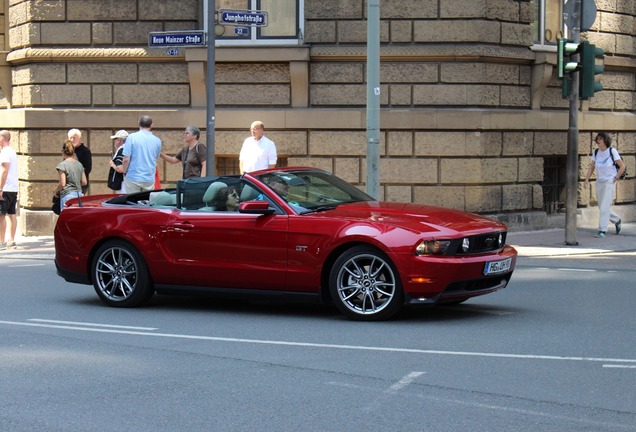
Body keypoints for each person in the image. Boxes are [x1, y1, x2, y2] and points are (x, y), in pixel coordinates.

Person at [584, 132, 626, 238]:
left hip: (609, 181)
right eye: (597, 139)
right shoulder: (597, 152)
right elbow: (592, 167)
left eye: (601, 139)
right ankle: (617, 219)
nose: (598, 141)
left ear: (605, 140)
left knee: (604, 207)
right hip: (600, 181)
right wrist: (586, 179)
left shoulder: (612, 151)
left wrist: (615, 178)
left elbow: (622, 166)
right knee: (602, 206)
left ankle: (602, 230)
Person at [122, 115, 162, 193]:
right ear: (152, 125)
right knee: (147, 203)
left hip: (133, 176)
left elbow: (126, 159)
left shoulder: (131, 137)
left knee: (132, 202)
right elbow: (156, 156)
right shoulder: (157, 140)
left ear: (138, 123)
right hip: (149, 178)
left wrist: (124, 172)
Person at [54, 140, 87, 213]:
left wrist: (56, 191)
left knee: (66, 219)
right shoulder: (79, 165)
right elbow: (84, 182)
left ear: (63, 151)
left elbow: (63, 184)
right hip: (79, 195)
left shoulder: (62, 165)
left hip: (67, 195)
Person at [0, 130, 18, 250]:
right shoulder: (12, 151)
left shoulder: (5, 152)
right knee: (12, 214)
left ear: (2, 138)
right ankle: (11, 239)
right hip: (13, 187)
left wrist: (0, 187)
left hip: (5, 187)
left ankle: (2, 241)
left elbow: (4, 170)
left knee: (1, 214)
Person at [67, 128, 92, 195]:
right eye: (70, 138)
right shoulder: (68, 151)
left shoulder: (85, 151)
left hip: (81, 184)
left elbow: (88, 169)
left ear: (80, 138)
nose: (72, 140)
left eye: (74, 138)